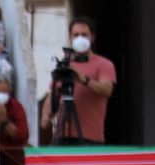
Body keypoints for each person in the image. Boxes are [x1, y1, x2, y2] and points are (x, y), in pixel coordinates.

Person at [39, 16, 115, 146]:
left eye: (84, 35)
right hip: (62, 135)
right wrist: (45, 115)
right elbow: (52, 93)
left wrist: (84, 80)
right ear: (70, 37)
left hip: (90, 138)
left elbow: (107, 90)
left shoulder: (104, 64)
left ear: (92, 37)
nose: (80, 38)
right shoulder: (65, 64)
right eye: (76, 35)